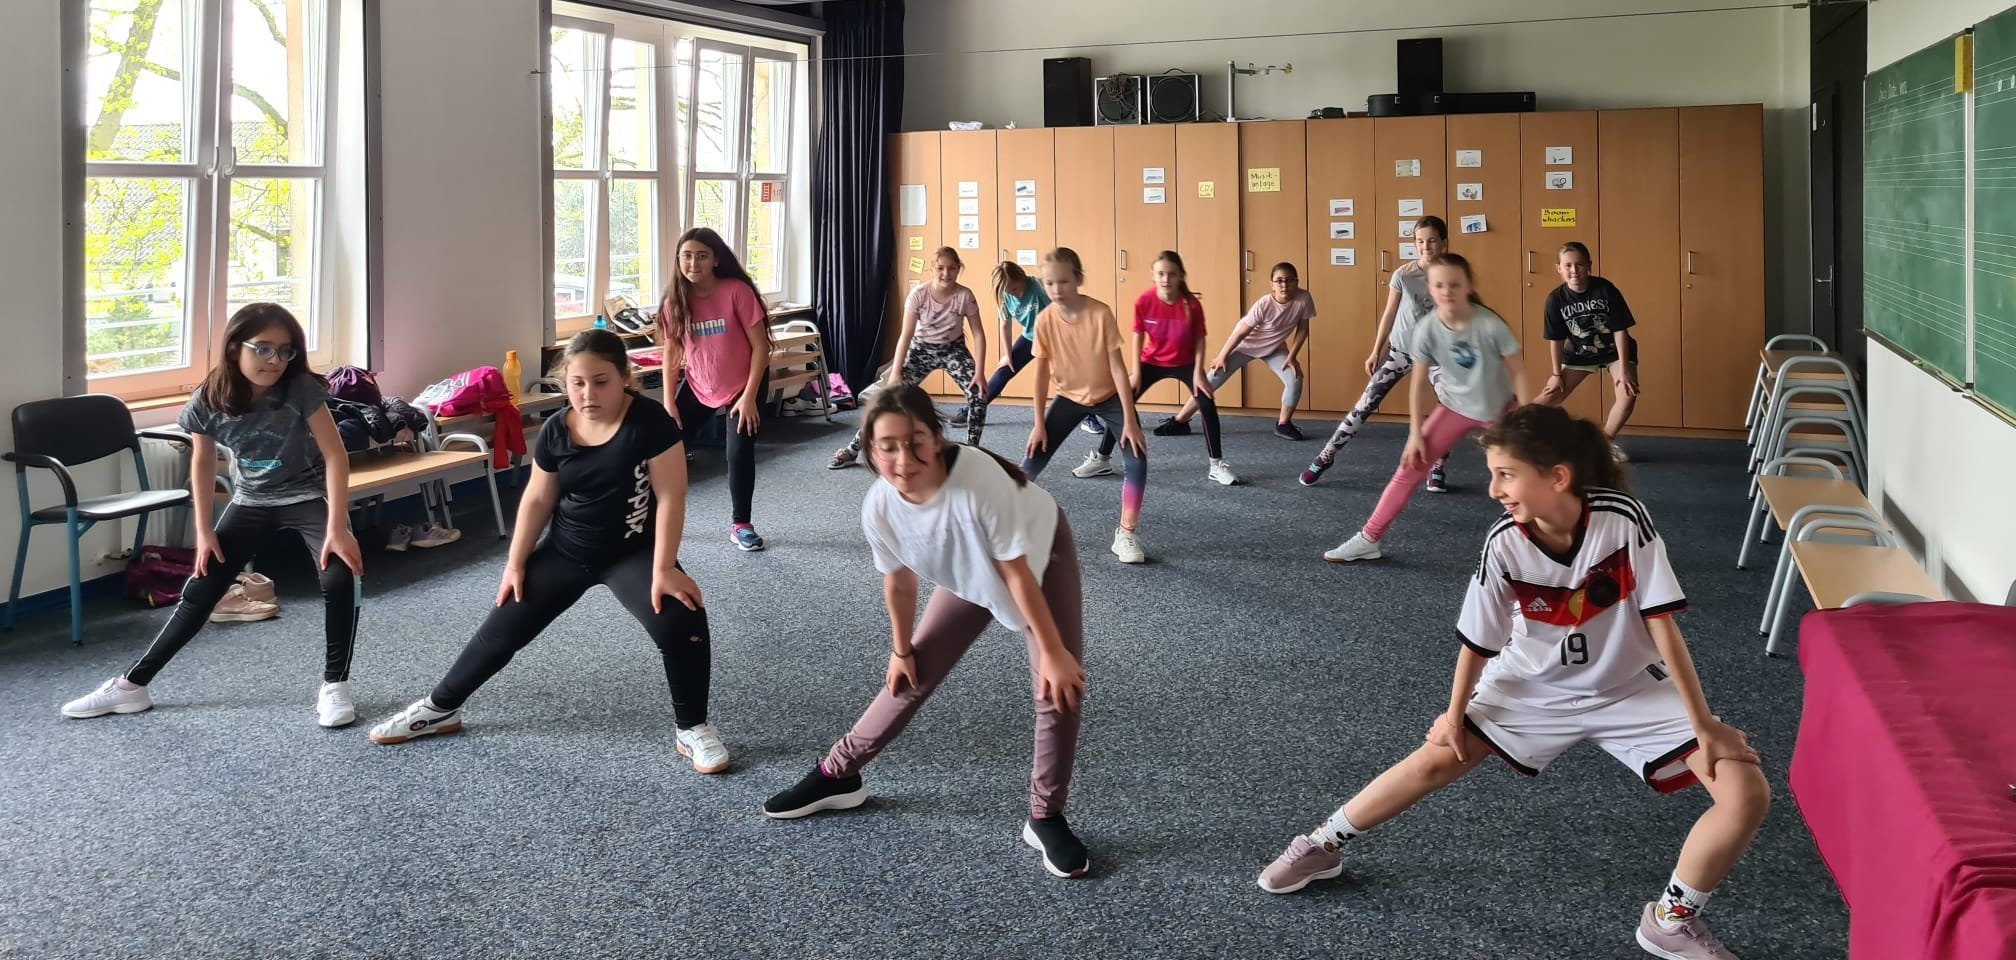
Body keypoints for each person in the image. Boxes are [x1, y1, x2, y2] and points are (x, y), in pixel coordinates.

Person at [1260, 403, 1771, 960]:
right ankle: (1322, 845)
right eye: (1492, 475)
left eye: (1506, 474)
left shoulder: (1622, 520)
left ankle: (1671, 919)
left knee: (1745, 790)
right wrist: (1453, 717)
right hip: (1532, 688)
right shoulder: (1504, 541)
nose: (1493, 490)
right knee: (1434, 759)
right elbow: (1477, 641)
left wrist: (1706, 725)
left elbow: (1662, 623)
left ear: (1557, 477)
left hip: (1628, 687)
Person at [761, 384, 1090, 878]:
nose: (903, 458)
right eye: (887, 446)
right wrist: (900, 650)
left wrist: (1054, 651)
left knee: (1057, 689)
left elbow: (1017, 575)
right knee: (908, 675)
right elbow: (898, 581)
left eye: (915, 441)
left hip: (1038, 558)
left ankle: (1045, 815)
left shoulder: (977, 481)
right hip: (969, 567)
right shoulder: (878, 507)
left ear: (937, 439)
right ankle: (837, 773)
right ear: (870, 451)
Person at [367, 330, 730, 773]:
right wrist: (515, 564)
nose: (588, 393)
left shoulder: (650, 423)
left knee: (681, 617)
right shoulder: (559, 428)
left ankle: (692, 728)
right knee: (502, 625)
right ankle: (440, 708)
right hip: (567, 549)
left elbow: (671, 496)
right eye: (577, 383)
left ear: (624, 378)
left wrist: (664, 568)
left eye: (601, 382)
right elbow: (538, 500)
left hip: (633, 550)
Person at [61, 303, 365, 726]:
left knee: (340, 573)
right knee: (202, 587)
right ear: (234, 349)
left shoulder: (300, 390)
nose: (275, 361)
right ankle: (132, 686)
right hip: (252, 501)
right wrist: (203, 533)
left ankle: (335, 685)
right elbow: (201, 463)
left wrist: (337, 527)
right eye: (263, 349)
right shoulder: (209, 398)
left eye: (285, 351)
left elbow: (335, 456)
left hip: (309, 496)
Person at [1324, 252, 1527, 563]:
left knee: (1519, 473)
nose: (1447, 292)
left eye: (1455, 285)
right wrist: (1415, 434)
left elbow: (1519, 370)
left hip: (1498, 412)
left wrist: (1527, 417)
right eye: (1439, 285)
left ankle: (1537, 540)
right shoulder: (1428, 328)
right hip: (1453, 407)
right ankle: (1369, 538)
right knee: (1410, 467)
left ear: (1469, 287)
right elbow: (1418, 384)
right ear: (1430, 290)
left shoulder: (1489, 324)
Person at [1019, 247, 1150, 564]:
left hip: (1109, 398)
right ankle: (1007, 526)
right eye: (1049, 283)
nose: (1056, 290)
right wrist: (1038, 423)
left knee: (1137, 457)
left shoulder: (1100, 313)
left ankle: (1126, 533)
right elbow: (1039, 376)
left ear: (1077, 279)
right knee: (1033, 459)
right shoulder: (1045, 320)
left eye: (1063, 282)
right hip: (1068, 398)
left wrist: (1130, 419)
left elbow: (1118, 368)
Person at [1303, 216, 1452, 490]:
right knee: (1364, 404)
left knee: (1447, 410)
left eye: (1432, 240)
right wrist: (1376, 350)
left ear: (1444, 242)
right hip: (1400, 352)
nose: (1426, 246)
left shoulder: (1454, 276)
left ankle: (1437, 467)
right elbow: (1389, 314)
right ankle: (1326, 456)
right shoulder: (1404, 275)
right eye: (1420, 241)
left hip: (1436, 357)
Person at [1079, 251, 1237, 486]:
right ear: (1153, 275)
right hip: (1151, 361)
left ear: (1180, 276)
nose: (1166, 279)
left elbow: (1199, 339)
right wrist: (1136, 371)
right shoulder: (1144, 301)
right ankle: (1102, 459)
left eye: (1171, 274)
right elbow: (1137, 335)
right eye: (1161, 274)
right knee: (1119, 403)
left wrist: (1198, 372)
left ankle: (1216, 465)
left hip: (1185, 362)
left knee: (1206, 402)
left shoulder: (1191, 305)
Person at [660, 226, 770, 552]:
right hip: (699, 383)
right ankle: (652, 516)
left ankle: (742, 524)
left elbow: (761, 349)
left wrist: (749, 398)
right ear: (679, 260)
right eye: (687, 256)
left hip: (744, 383)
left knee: (737, 451)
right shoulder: (674, 301)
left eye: (702, 256)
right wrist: (669, 402)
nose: (694, 263)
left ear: (715, 260)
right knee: (664, 446)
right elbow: (671, 353)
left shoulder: (736, 292)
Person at [830, 247, 989, 468]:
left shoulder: (964, 295)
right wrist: (896, 372)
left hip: (953, 349)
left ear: (958, 269)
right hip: (920, 349)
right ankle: (853, 448)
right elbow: (905, 335)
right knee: (888, 399)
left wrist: (979, 372)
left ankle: (973, 452)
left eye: (952, 268)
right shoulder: (919, 295)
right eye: (941, 268)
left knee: (979, 395)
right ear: (933, 268)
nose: (946, 274)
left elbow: (979, 334)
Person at [1162, 262, 1311, 443]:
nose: (1284, 285)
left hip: (1275, 348)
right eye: (1279, 281)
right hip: (1245, 345)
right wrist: (1222, 356)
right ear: (1272, 284)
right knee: (1211, 379)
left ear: (1297, 282)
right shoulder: (1264, 304)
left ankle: (1283, 424)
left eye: (1289, 281)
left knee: (1295, 379)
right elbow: (1240, 333)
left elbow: (1302, 329)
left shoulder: (1303, 299)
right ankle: (1180, 421)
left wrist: (1292, 357)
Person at [1539, 241, 1639, 459]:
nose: (1574, 271)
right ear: (1559, 269)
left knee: (1627, 394)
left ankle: (1604, 444)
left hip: (1615, 352)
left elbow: (1620, 330)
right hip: (1580, 352)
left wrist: (1624, 369)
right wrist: (1556, 375)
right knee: (1550, 396)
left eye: (1579, 265)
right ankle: (1510, 432)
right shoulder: (1555, 300)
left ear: (1589, 265)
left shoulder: (1606, 289)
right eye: (1568, 265)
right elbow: (1555, 340)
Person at [949, 260, 1047, 429]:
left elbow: (1061, 311)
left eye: (1015, 289)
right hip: (1030, 338)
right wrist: (1008, 356)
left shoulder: (1038, 287)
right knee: (1004, 371)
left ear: (1023, 277)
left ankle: (1091, 417)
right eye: (1009, 291)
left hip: (1054, 337)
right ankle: (973, 409)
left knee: (1072, 377)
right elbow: (1005, 326)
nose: (1013, 294)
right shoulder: (1005, 295)